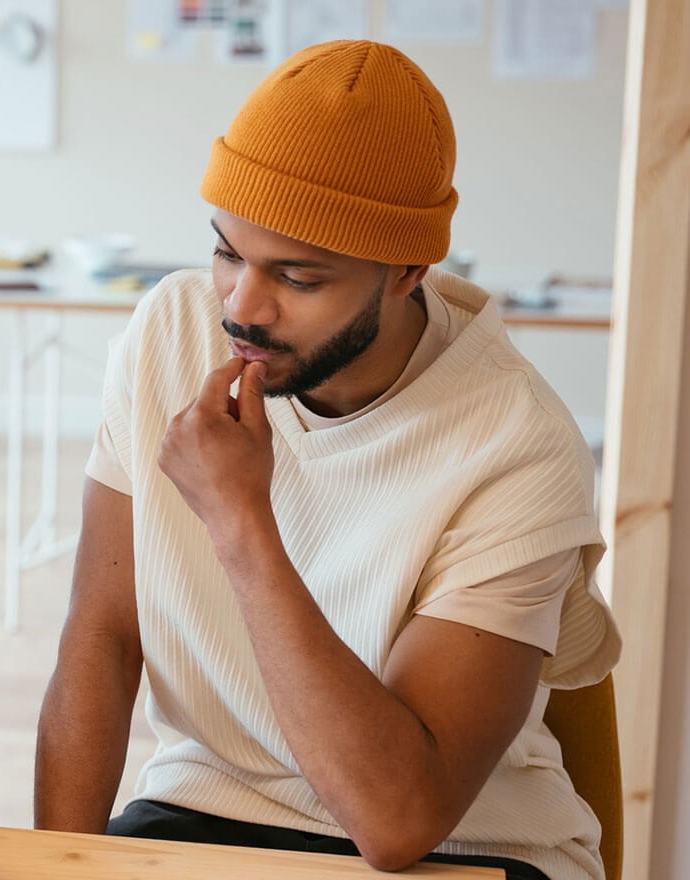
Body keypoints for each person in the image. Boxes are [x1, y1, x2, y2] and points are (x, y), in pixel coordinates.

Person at [34, 40, 620, 880]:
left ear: (407, 270)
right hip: (207, 817)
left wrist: (241, 520)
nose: (240, 306)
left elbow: (398, 820)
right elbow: (101, 636)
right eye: (228, 251)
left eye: (298, 277)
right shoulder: (171, 328)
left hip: (464, 851)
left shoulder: (516, 444)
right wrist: (59, 864)